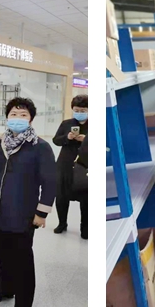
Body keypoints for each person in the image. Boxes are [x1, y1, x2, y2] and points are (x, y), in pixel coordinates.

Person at [0, 97, 57, 307]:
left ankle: (23, 305)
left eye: (23, 115)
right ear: (7, 117)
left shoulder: (40, 147)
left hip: (23, 213)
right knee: (1, 254)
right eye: (13, 114)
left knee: (22, 260)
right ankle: (5, 289)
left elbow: (50, 182)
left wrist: (42, 213)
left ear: (31, 119)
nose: (17, 118)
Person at [51, 94, 88, 238]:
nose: (79, 113)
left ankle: (85, 228)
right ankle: (62, 223)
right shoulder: (66, 124)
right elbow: (56, 140)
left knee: (86, 198)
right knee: (61, 196)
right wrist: (67, 137)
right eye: (76, 110)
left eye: (83, 110)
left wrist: (87, 139)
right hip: (65, 165)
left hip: (85, 165)